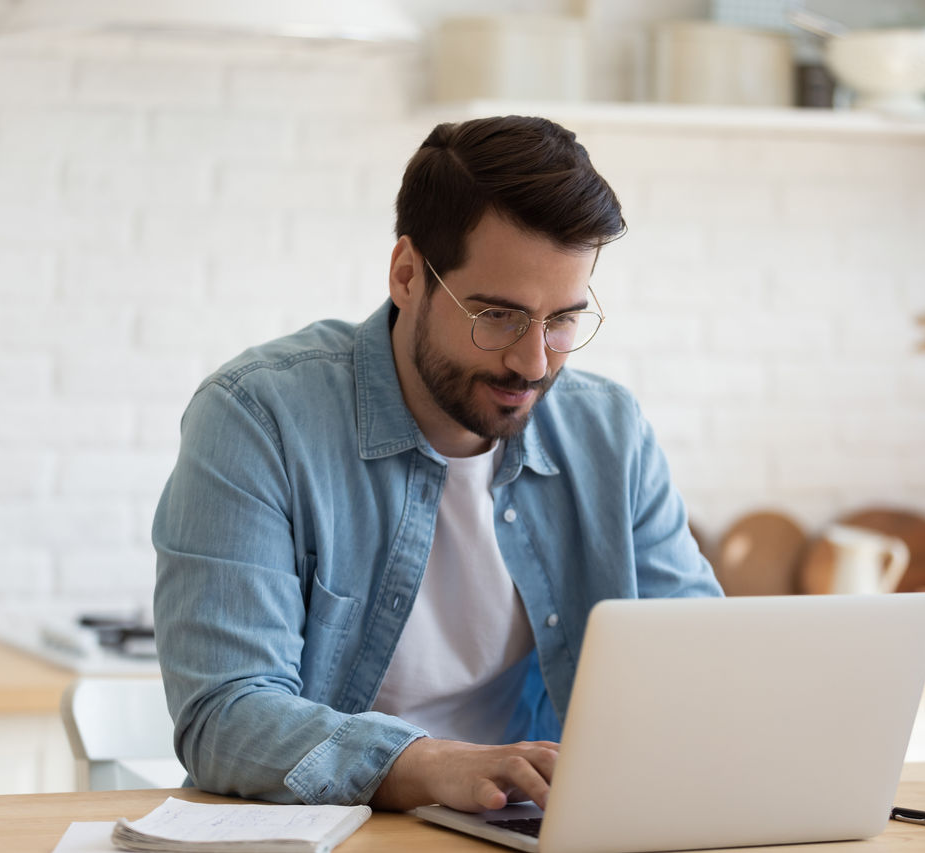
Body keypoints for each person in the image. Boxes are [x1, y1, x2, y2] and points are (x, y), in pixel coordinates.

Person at [152, 115, 722, 814]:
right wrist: (429, 763)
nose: (534, 362)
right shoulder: (257, 418)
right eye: (498, 316)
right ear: (407, 275)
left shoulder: (610, 432)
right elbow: (225, 713)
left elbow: (701, 669)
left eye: (563, 320)